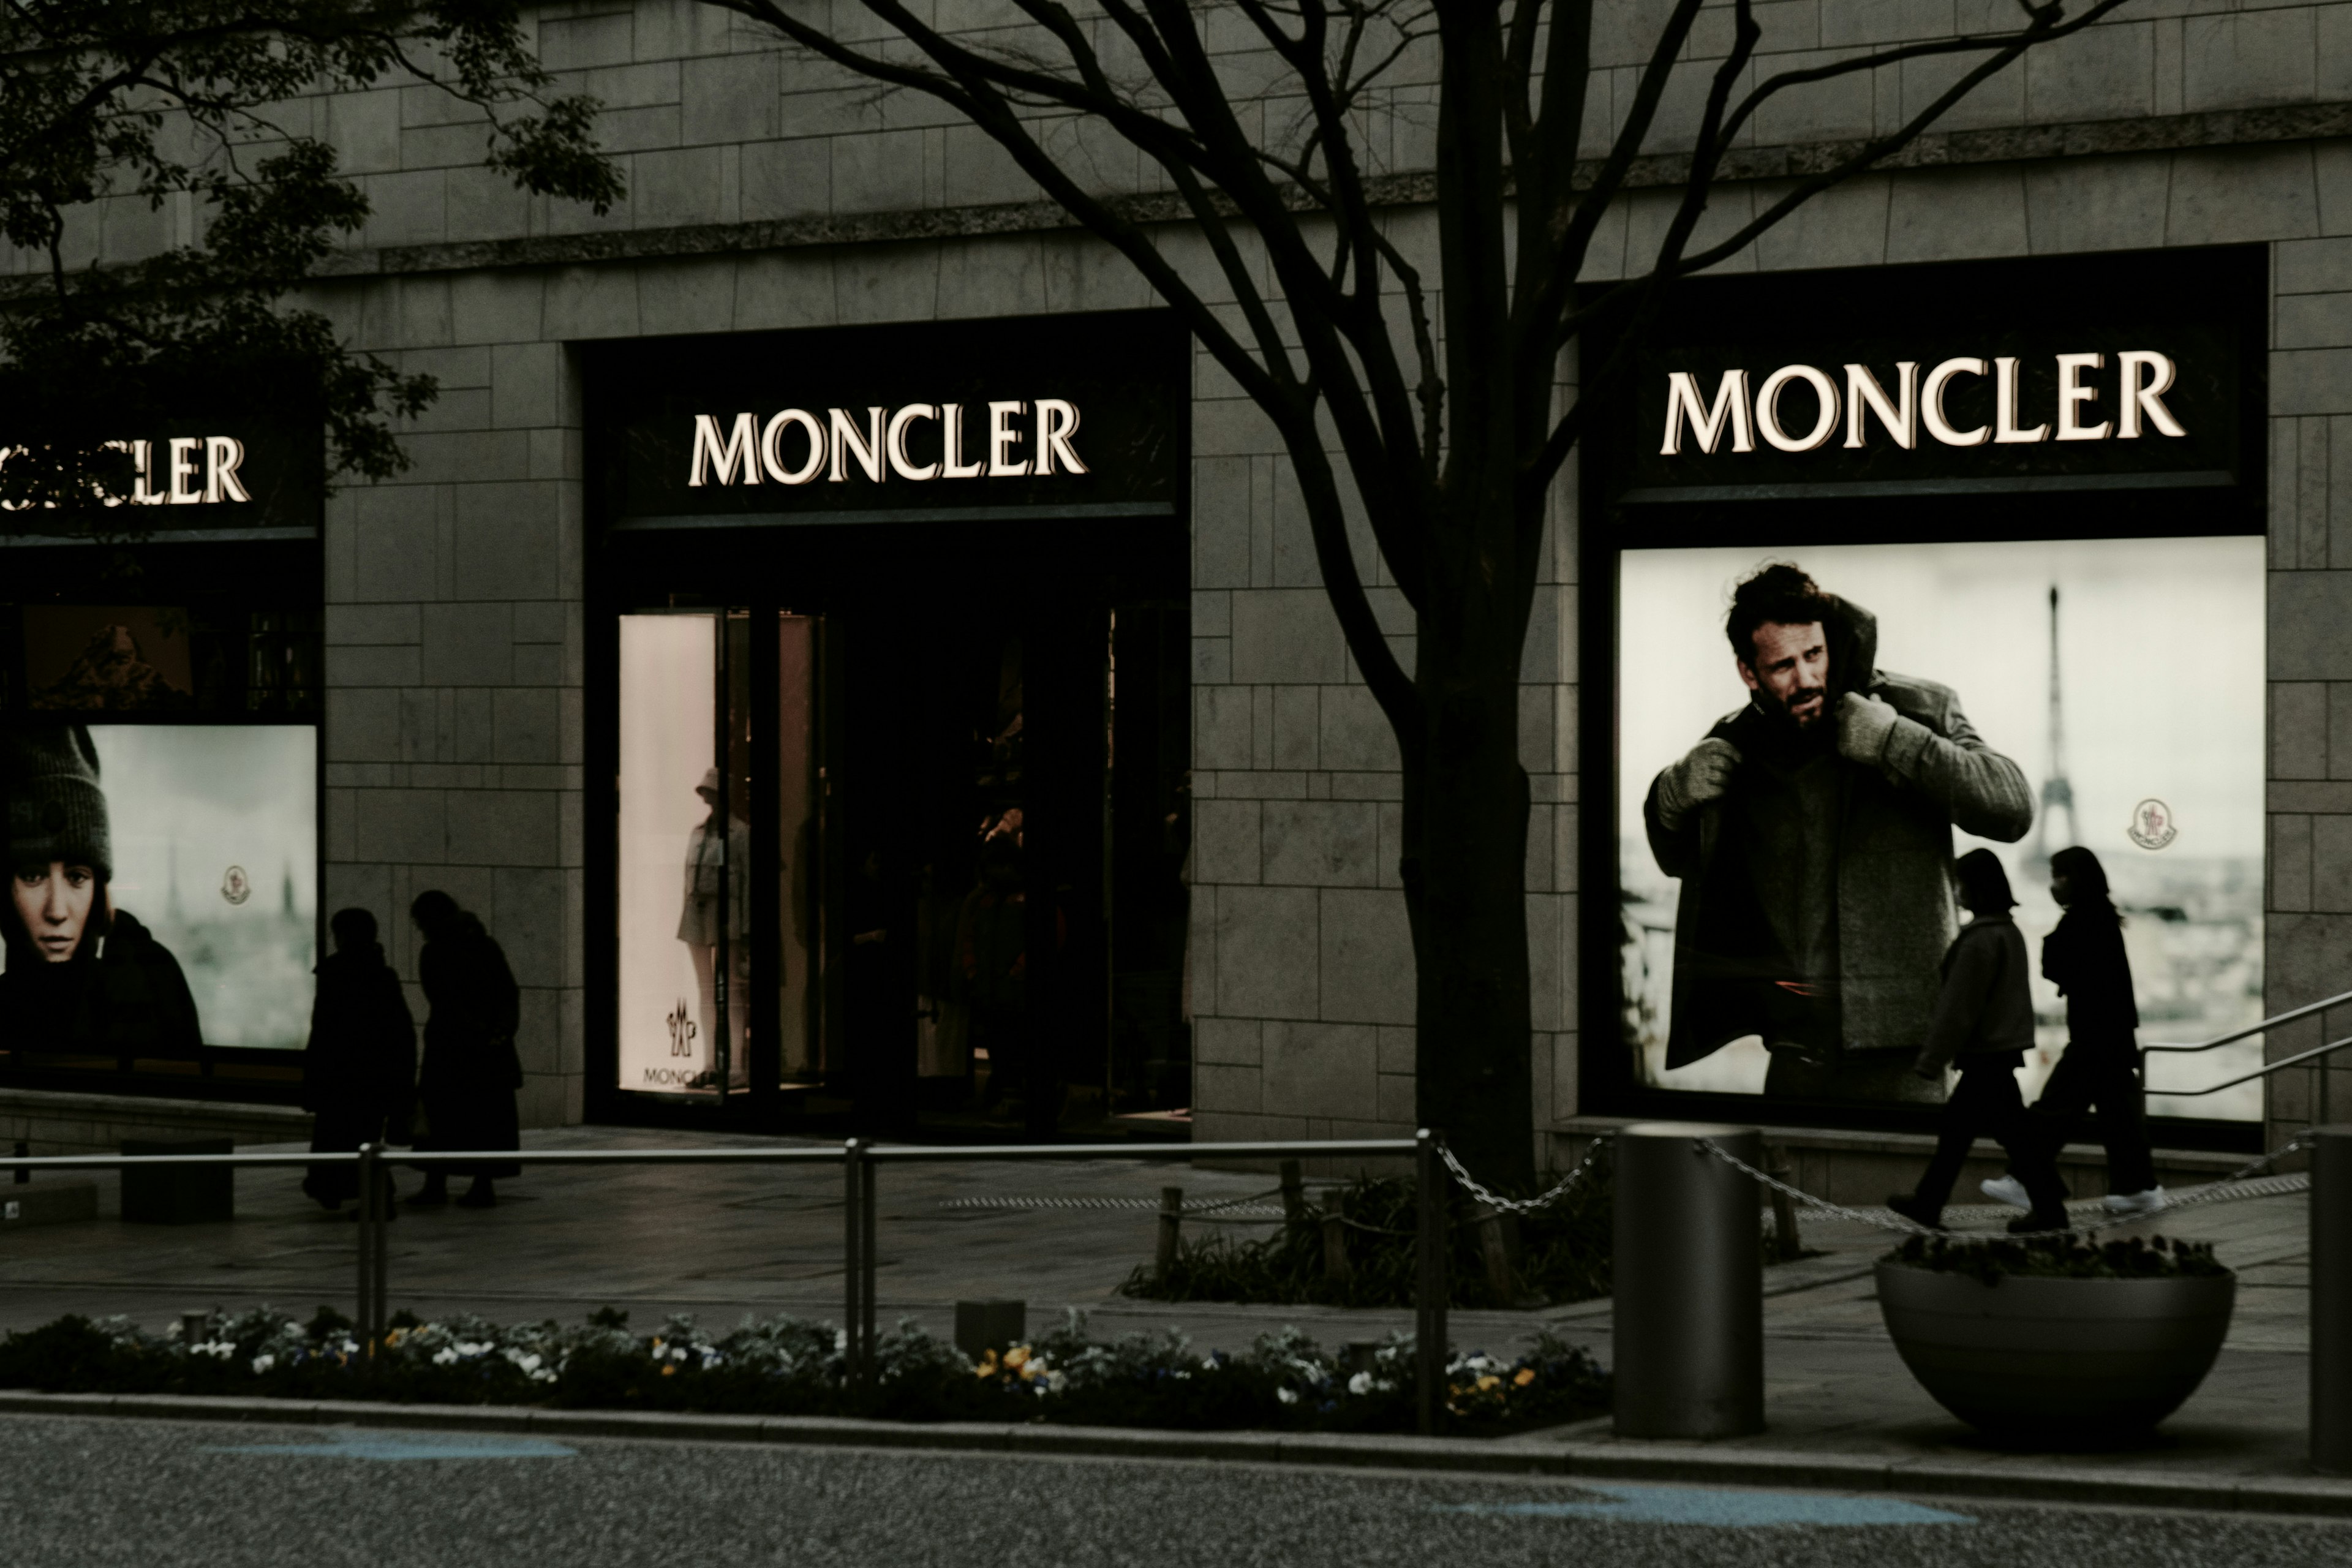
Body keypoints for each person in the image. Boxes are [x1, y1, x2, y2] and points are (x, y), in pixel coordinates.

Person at [1645, 562, 2032, 1102]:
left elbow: (2012, 808)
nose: (1805, 679)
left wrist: (1896, 741)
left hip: (1905, 1052)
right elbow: (1679, 858)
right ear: (1748, 672)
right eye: (1782, 665)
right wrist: (1670, 794)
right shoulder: (1738, 744)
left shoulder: (1915, 708)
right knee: (1787, 1186)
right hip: (1795, 1050)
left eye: (1814, 655)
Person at [1888, 850, 2071, 1234]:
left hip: (1984, 1054)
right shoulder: (2009, 932)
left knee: (1980, 1137)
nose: (1957, 892)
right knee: (1975, 1135)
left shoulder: (1978, 941)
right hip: (2002, 1051)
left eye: (1961, 884)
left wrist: (1931, 1060)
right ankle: (1931, 1203)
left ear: (1976, 888)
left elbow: (1957, 1010)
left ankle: (2047, 1207)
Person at [1981, 846, 2165, 1218]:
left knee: (2054, 1108)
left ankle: (2026, 1177)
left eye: (2060, 876)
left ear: (2077, 879)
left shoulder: (2083, 920)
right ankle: (2137, 1187)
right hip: (2110, 1036)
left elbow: (2057, 965)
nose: (2054, 885)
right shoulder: (2100, 918)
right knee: (2118, 1117)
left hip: (2094, 1037)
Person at [2, 726, 203, 1059]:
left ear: (99, 886)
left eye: (77, 877)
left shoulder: (152, 980)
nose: (57, 911)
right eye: (33, 876)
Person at [407, 890, 521, 1209]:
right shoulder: (485, 946)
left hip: (449, 1048)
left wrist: (474, 1027)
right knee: (487, 1120)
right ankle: (482, 1186)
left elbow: (441, 1000)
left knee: (442, 1118)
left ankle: (436, 1185)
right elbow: (508, 993)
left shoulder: (435, 953)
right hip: (488, 1050)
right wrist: (498, 1031)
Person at [300, 908, 417, 1213]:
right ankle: (371, 1195)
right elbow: (401, 1032)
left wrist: (314, 1076)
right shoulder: (382, 975)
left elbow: (323, 1030)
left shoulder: (335, 973)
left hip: (341, 1073)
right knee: (363, 1136)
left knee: (337, 1136)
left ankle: (363, 1196)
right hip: (375, 1075)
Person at [677, 768, 750, 1090]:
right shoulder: (697, 833)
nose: (708, 799)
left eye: (713, 793)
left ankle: (736, 1065)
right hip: (697, 915)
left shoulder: (742, 834)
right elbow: (687, 880)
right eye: (706, 793)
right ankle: (709, 1063)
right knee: (705, 991)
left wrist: (747, 928)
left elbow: (748, 883)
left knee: (732, 992)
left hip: (729, 916)